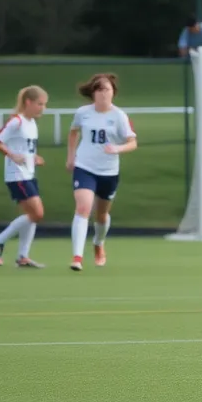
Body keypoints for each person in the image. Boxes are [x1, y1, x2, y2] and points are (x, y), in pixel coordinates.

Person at [66, 74, 137, 271]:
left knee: (102, 215)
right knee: (83, 208)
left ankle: (98, 243)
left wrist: (117, 149)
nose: (104, 94)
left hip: (108, 171)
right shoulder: (83, 113)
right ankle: (77, 257)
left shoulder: (119, 116)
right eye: (99, 90)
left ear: (113, 92)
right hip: (85, 167)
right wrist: (71, 157)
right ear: (93, 93)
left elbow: (132, 142)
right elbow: (73, 132)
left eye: (107, 90)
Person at [0, 85, 49, 268]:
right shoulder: (17, 121)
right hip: (17, 176)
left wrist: (34, 158)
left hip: (28, 174)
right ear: (28, 102)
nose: (43, 108)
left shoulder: (32, 124)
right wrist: (12, 155)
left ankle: (23, 256)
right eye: (40, 104)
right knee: (37, 213)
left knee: (32, 215)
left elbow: (25, 148)